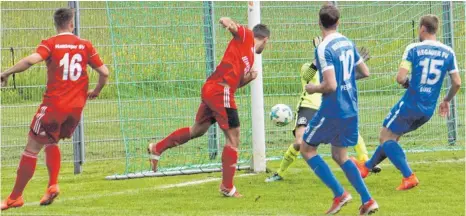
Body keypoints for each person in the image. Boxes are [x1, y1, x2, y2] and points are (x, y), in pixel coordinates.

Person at [147, 17, 270, 198]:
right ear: (265, 40)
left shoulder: (249, 57)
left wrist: (247, 79)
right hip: (221, 90)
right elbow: (235, 27)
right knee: (234, 138)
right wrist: (227, 22)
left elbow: (235, 81)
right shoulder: (247, 37)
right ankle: (227, 187)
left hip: (213, 89)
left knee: (197, 130)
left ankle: (157, 148)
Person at [1, 8, 109, 210]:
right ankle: (52, 185)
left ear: (56, 24)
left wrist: (6, 73)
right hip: (75, 110)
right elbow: (104, 72)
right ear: (72, 24)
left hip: (54, 107)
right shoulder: (85, 45)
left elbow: (30, 60)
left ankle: (15, 197)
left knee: (31, 148)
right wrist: (96, 91)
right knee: (51, 141)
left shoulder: (50, 43)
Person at [352, 14, 461, 191]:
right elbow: (457, 82)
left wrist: (408, 84)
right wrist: (446, 100)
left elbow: (400, 77)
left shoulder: (413, 49)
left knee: (385, 137)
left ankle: (408, 176)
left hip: (411, 103)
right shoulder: (448, 52)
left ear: (423, 29)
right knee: (392, 138)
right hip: (427, 109)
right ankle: (365, 168)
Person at [265, 37, 381, 183]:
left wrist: (354, 67)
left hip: (328, 105)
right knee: (300, 142)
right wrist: (319, 55)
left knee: (352, 131)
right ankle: (279, 173)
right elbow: (308, 76)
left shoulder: (334, 70)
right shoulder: (306, 67)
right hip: (308, 107)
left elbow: (346, 79)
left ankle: (366, 162)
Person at [300, 5, 378, 215]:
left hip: (333, 109)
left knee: (306, 148)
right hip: (350, 107)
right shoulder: (347, 42)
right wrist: (347, 77)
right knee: (339, 155)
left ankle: (340, 194)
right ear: (339, 22)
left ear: (318, 23)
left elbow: (330, 85)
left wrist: (313, 87)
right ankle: (368, 200)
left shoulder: (324, 47)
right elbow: (365, 72)